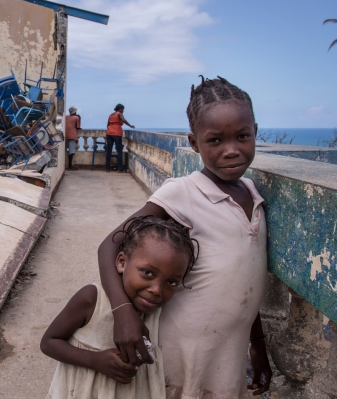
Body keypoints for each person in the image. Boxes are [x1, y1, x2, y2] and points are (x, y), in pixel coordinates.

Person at [98, 76, 272, 398]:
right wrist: (122, 313)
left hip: (227, 355)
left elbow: (245, 279)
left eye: (242, 136)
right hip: (181, 354)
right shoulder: (182, 193)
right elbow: (110, 245)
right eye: (215, 141)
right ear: (194, 143)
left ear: (255, 132)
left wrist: (257, 345)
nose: (232, 150)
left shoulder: (252, 195)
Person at [41, 216, 197, 399]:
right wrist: (95, 360)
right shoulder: (92, 299)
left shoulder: (159, 314)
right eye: (147, 273)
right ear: (122, 262)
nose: (156, 290)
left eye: (171, 282)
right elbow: (49, 342)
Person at [106, 104, 135, 173]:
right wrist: (130, 125)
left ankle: (107, 168)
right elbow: (124, 120)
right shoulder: (119, 114)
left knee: (108, 150)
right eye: (122, 109)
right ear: (119, 108)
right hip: (117, 133)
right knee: (119, 151)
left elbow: (108, 124)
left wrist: (110, 129)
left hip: (109, 132)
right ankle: (120, 168)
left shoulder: (110, 115)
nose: (123, 111)